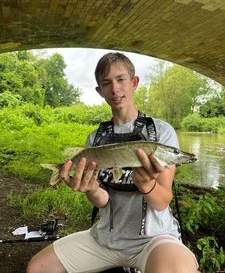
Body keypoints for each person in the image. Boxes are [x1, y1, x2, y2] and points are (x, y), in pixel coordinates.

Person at [26, 52, 199, 273]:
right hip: (105, 238)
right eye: (106, 83)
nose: (115, 89)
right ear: (100, 91)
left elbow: (163, 201)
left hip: (154, 240)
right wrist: (91, 189)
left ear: (134, 82)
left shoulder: (161, 132)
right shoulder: (95, 139)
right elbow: (103, 201)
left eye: (121, 79)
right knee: (37, 268)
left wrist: (148, 186)